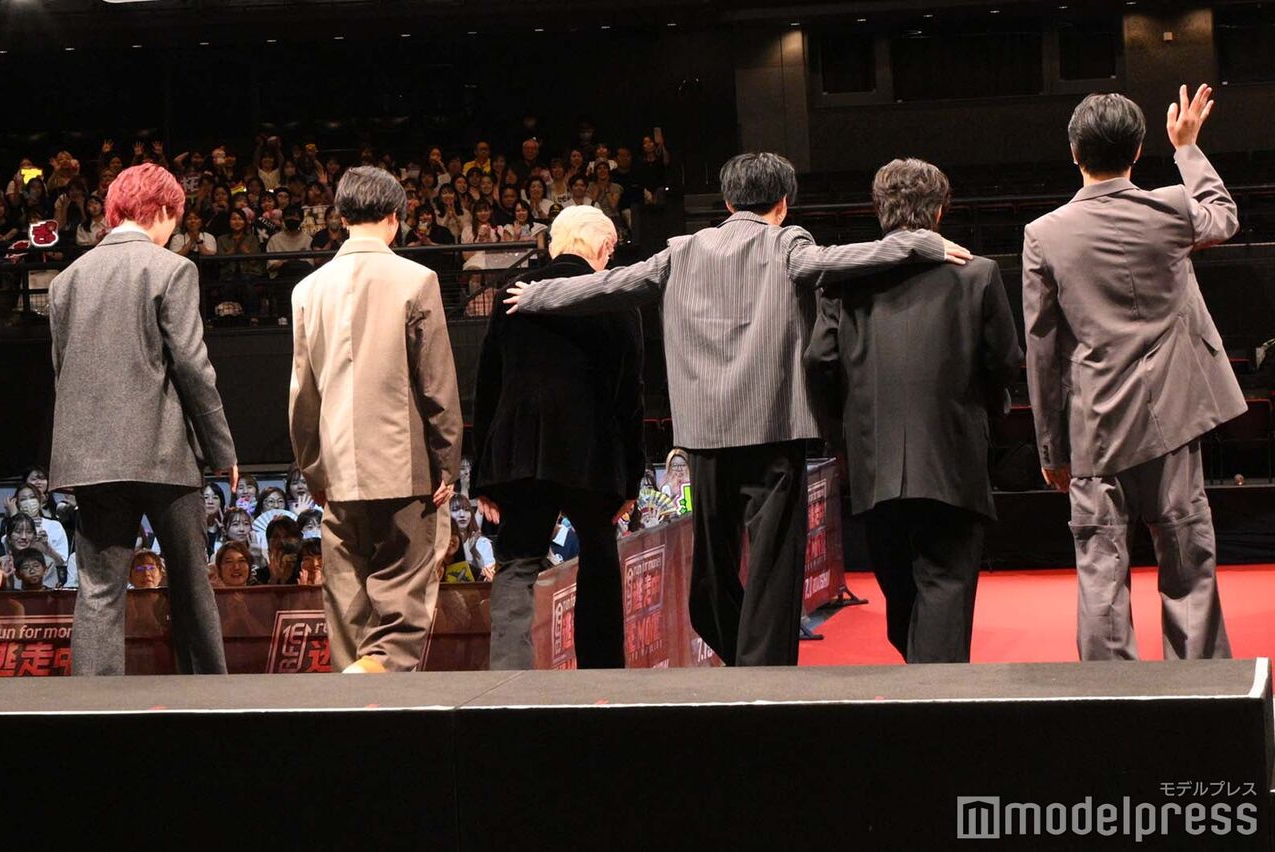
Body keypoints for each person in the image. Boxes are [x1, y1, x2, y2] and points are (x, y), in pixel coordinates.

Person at [507, 152, 968, 666]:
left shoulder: (681, 251)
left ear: (727, 202)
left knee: (712, 576)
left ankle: (744, 656)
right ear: (783, 203)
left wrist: (538, 294)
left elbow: (610, 285)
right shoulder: (789, 243)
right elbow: (848, 259)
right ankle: (763, 669)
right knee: (774, 568)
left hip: (705, 438)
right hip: (775, 433)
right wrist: (920, 243)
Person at [1023, 86, 1242, 662]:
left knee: (1101, 572)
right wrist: (1187, 148)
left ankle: (1110, 701)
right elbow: (1223, 216)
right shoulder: (1171, 207)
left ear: (1075, 152)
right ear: (1140, 150)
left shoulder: (1043, 234)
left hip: (1095, 428)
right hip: (1174, 417)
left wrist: (1051, 448)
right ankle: (1202, 694)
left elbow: (1042, 350)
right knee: (1188, 561)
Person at [805, 158, 1022, 664]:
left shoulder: (844, 283)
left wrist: (841, 434)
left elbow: (819, 360)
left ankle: (921, 676)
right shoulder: (978, 274)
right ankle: (934, 693)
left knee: (898, 583)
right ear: (941, 210)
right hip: (953, 457)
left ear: (879, 210)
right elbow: (1004, 362)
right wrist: (990, 411)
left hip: (873, 459)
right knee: (945, 581)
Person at [48, 162, 237, 676]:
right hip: (164, 454)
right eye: (175, 218)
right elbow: (193, 367)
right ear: (163, 210)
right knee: (190, 582)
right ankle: (209, 701)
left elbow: (62, 371)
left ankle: (94, 711)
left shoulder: (66, 281)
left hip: (92, 460)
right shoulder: (172, 269)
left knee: (98, 590)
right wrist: (221, 449)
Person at [290, 166, 463, 673]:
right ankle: (375, 683)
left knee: (347, 606)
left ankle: (354, 703)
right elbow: (436, 383)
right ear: (394, 217)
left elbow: (302, 394)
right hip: (404, 468)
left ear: (341, 217)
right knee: (403, 606)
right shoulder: (417, 280)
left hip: (337, 471)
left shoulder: (307, 289)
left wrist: (313, 469)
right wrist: (447, 461)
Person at [473, 204, 646, 669]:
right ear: (604, 246)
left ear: (554, 245)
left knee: (516, 564)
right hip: (592, 456)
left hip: (520, 454)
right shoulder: (616, 299)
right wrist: (631, 480)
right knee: (598, 559)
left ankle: (508, 680)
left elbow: (487, 386)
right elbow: (630, 397)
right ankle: (601, 681)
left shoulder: (512, 295)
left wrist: (483, 476)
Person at [450, 495, 495, 581]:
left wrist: (475, 552)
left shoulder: (482, 543)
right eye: (455, 510)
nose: (462, 514)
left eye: (466, 510)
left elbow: (489, 576)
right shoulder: (445, 543)